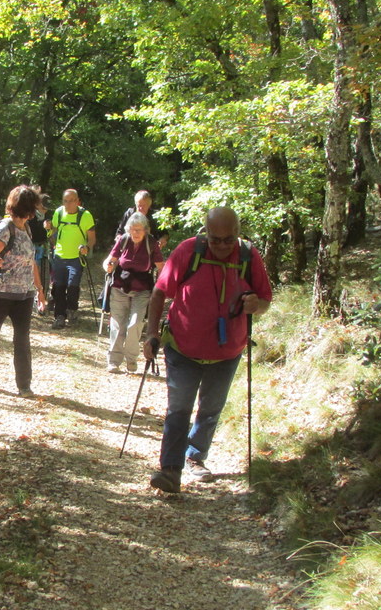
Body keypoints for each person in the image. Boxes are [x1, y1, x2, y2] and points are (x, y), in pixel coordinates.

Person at [143, 207, 272, 493]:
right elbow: (159, 292)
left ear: (238, 234)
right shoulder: (189, 251)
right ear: (206, 233)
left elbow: (264, 300)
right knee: (178, 409)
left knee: (211, 409)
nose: (223, 246)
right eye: (216, 239)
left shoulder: (249, 256)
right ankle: (170, 470)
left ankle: (195, 456)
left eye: (229, 240)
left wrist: (256, 306)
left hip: (227, 352)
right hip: (182, 347)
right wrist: (151, 334)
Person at [0, 185, 47, 397]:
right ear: (26, 207)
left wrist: (40, 291)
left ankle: (24, 385)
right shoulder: (5, 228)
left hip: (24, 295)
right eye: (34, 206)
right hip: (0, 294)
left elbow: (32, 263)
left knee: (22, 340)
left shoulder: (25, 228)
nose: (36, 210)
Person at [102, 212, 164, 374]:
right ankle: (114, 361)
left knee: (135, 324)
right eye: (132, 229)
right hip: (120, 287)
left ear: (146, 230)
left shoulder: (151, 243)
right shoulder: (123, 240)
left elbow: (161, 266)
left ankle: (131, 359)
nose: (135, 233)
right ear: (128, 229)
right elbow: (110, 260)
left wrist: (165, 286)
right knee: (117, 324)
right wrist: (108, 266)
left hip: (142, 289)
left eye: (139, 230)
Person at [44, 189, 96, 329]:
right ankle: (59, 316)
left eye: (71, 200)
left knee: (73, 286)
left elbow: (91, 238)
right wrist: (49, 228)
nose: (68, 204)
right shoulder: (59, 213)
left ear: (77, 201)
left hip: (76, 258)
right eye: (65, 201)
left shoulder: (85, 215)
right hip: (59, 256)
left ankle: (72, 310)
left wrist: (87, 248)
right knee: (58, 287)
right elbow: (54, 231)